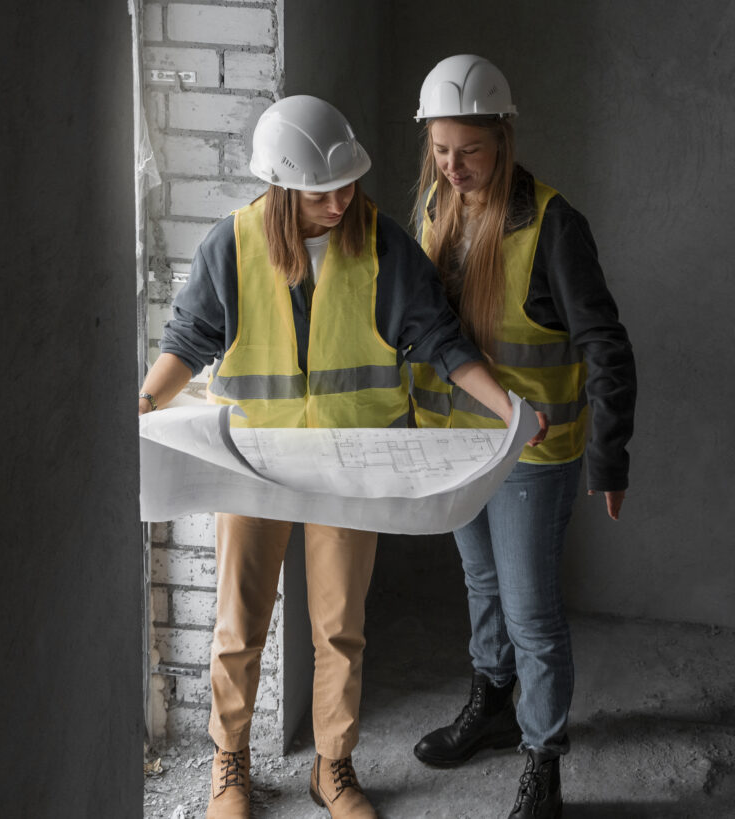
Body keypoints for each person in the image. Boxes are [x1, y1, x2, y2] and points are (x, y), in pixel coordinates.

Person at [138, 94, 545, 819]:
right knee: (239, 625)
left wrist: (509, 410)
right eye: (321, 191)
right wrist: (142, 404)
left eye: (347, 183)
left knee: (338, 626)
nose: (339, 200)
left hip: (349, 468)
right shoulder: (230, 246)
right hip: (252, 462)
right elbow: (187, 340)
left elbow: (442, 343)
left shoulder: (386, 247)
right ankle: (230, 765)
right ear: (280, 187)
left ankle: (334, 766)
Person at [406, 56, 637, 819]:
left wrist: (610, 454)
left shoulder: (553, 224)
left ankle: (544, 757)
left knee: (532, 613)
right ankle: (495, 705)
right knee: (482, 588)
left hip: (534, 455)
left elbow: (606, 344)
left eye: (468, 150)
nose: (453, 166)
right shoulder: (435, 209)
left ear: (503, 138)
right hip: (457, 444)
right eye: (440, 150)